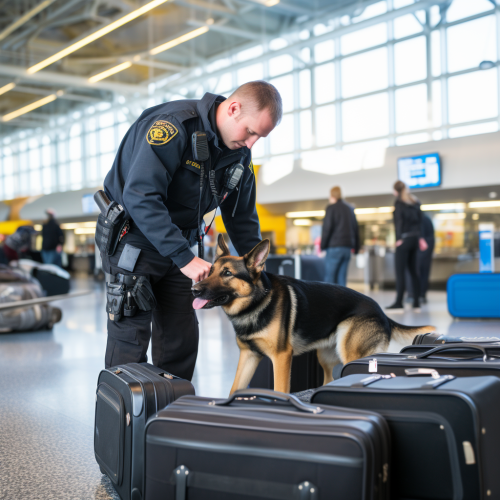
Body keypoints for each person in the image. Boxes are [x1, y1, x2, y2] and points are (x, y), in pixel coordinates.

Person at [100, 81, 282, 380]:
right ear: (233, 109)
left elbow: (242, 219)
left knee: (180, 339)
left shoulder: (238, 156)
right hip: (134, 238)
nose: (251, 144)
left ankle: (169, 418)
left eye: (259, 137)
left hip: (181, 246)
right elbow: (140, 196)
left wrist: (264, 279)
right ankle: (126, 423)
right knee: (130, 341)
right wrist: (184, 258)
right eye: (250, 132)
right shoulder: (173, 127)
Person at [386, 180, 428, 312]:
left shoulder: (399, 202)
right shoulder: (415, 202)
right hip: (415, 239)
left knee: (400, 272)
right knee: (414, 271)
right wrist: (420, 238)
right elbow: (420, 222)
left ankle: (399, 302)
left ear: (395, 191)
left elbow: (398, 222)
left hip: (404, 239)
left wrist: (398, 239)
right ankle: (416, 303)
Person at [321, 186, 360, 287]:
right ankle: (343, 302)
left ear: (332, 195)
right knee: (342, 279)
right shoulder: (350, 208)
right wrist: (356, 248)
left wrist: (322, 246)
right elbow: (355, 228)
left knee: (329, 279)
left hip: (334, 247)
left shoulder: (331, 208)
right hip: (347, 248)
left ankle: (329, 302)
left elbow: (327, 228)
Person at [405, 213, 435, 305]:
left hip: (421, 248)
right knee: (423, 272)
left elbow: (420, 236)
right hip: (425, 249)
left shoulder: (419, 219)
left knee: (414, 272)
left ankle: (413, 295)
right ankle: (420, 295)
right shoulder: (426, 218)